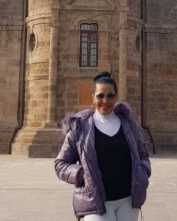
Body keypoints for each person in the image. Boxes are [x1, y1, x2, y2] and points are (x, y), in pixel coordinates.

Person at [55, 72, 151, 221]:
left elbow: (142, 154)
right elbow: (60, 164)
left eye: (110, 96)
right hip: (95, 202)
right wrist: (81, 174)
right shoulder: (79, 127)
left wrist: (143, 172)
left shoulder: (128, 124)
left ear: (116, 97)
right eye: (100, 96)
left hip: (128, 201)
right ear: (93, 97)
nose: (105, 100)